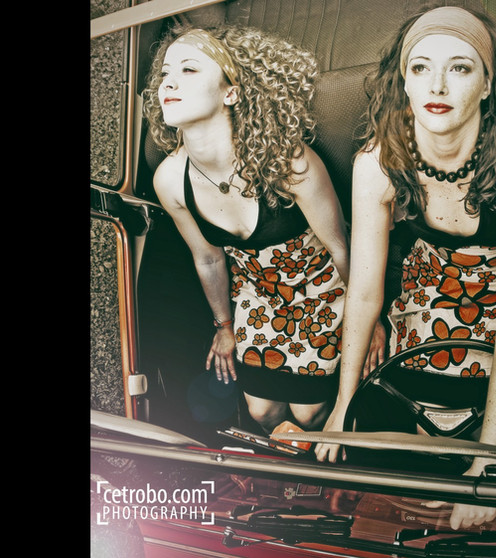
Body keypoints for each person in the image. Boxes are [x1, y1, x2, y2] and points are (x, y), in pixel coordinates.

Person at [314, 6, 496, 530]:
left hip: (495, 298)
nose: (437, 85)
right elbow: (364, 293)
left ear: (488, 85)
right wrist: (344, 406)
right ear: (404, 81)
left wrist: (491, 462)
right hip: (424, 297)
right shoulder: (378, 162)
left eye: (460, 68)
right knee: (410, 430)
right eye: (420, 67)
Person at [143, 25, 349, 434]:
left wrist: (368, 321)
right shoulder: (169, 179)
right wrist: (224, 326)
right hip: (257, 296)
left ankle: (322, 462)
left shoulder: (290, 161)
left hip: (322, 289)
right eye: (165, 73)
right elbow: (208, 258)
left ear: (231, 93)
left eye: (188, 69)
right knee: (261, 413)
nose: (168, 82)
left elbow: (341, 248)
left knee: (308, 415)